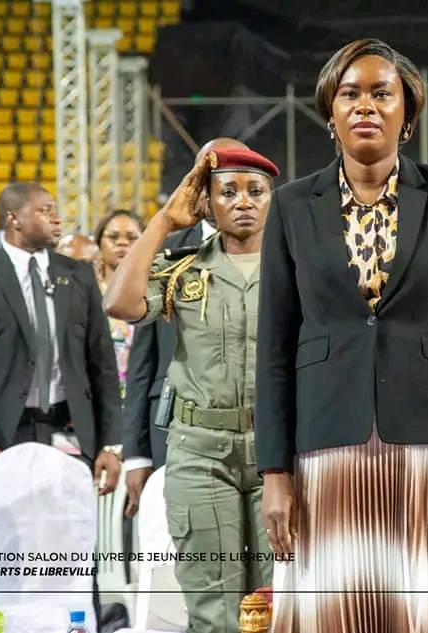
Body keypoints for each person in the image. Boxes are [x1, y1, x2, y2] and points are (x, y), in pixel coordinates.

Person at [255, 39, 428, 632]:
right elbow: (273, 351)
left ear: (407, 114)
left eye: (381, 93)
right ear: (331, 112)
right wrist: (274, 473)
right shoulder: (291, 205)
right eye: (350, 94)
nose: (364, 105)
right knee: (333, 613)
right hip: (326, 447)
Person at [104, 147, 279, 633]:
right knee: (213, 609)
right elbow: (119, 303)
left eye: (256, 191)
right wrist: (164, 221)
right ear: (206, 203)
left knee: (280, 604)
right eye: (228, 192)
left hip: (277, 453)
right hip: (199, 452)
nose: (243, 202)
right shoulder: (182, 267)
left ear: (273, 199)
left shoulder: (298, 268)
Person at [0, 182, 121, 489]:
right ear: (14, 219)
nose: (57, 219)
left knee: (68, 521)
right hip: (1, 438)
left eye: (55, 211)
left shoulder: (79, 275)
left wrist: (111, 444)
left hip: (72, 434)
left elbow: (103, 366)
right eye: (45, 211)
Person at [121, 137, 247, 517]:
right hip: (172, 427)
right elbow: (142, 363)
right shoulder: (165, 252)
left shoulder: (278, 249)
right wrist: (136, 454)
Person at [92, 210, 143, 398]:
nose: (122, 243)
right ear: (98, 243)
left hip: (138, 395)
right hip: (96, 395)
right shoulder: (87, 292)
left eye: (132, 238)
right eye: (113, 237)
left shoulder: (155, 292)